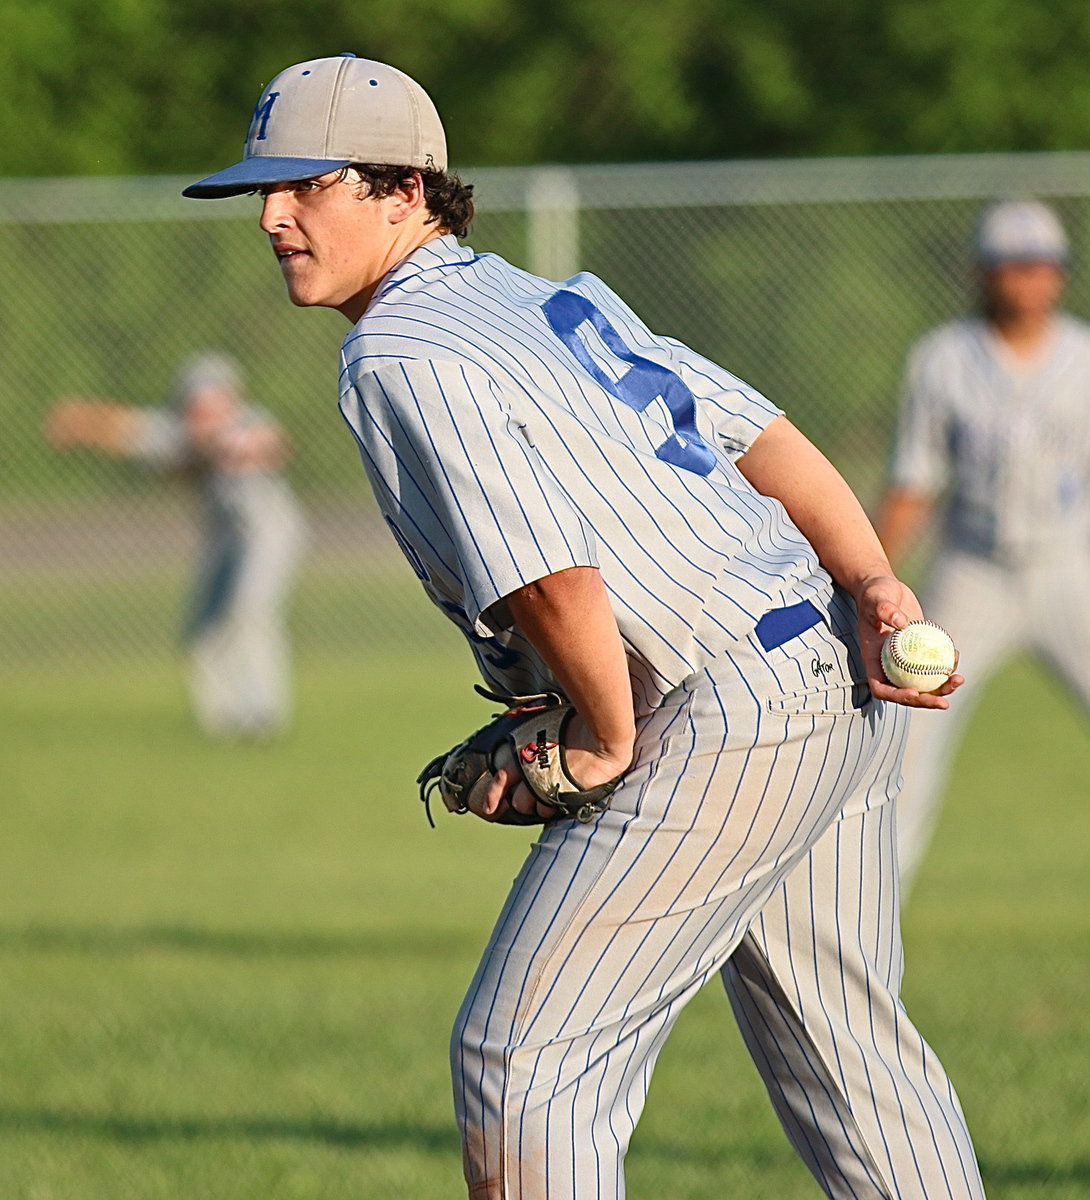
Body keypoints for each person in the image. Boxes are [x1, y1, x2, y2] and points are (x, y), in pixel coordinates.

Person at [185, 54, 985, 1199]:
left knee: (525, 1061)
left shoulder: (399, 351)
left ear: (403, 192)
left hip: (733, 712)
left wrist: (604, 739)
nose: (271, 216)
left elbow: (552, 579)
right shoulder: (542, 295)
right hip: (827, 667)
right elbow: (760, 434)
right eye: (263, 191)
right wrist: (870, 584)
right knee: (853, 1057)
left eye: (306, 186)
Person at [876, 199, 1090, 893]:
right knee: (908, 742)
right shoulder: (943, 359)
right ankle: (876, 906)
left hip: (1070, 567)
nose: (1025, 281)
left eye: (1039, 267)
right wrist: (867, 578)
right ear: (983, 273)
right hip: (972, 572)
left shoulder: (1083, 357)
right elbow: (915, 480)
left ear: (1058, 275)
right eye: (1009, 267)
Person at [45, 352, 307, 741]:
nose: (203, 408)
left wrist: (213, 447)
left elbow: (273, 445)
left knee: (250, 614)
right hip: (225, 540)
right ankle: (225, 725)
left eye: (213, 398)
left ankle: (262, 716)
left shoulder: (248, 422)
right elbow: (128, 429)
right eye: (197, 401)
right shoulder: (183, 434)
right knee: (202, 629)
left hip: (268, 536)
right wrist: (83, 420)